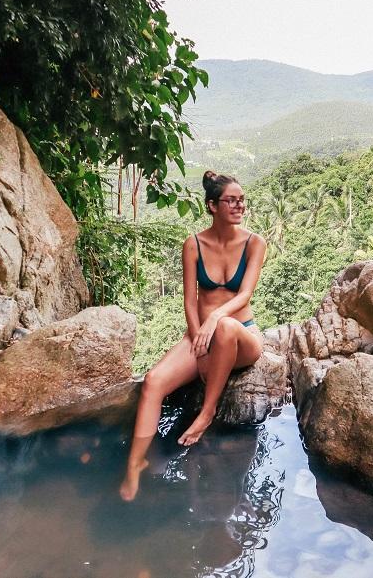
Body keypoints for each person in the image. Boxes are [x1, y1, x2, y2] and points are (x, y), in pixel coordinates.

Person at [120, 171, 267, 501]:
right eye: (231, 200)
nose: (239, 205)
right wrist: (200, 344)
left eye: (242, 199)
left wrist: (215, 316)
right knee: (154, 381)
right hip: (201, 335)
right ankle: (135, 463)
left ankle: (207, 411)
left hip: (241, 334)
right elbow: (189, 300)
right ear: (212, 206)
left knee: (226, 327)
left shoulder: (255, 243)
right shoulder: (194, 244)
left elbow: (244, 295)